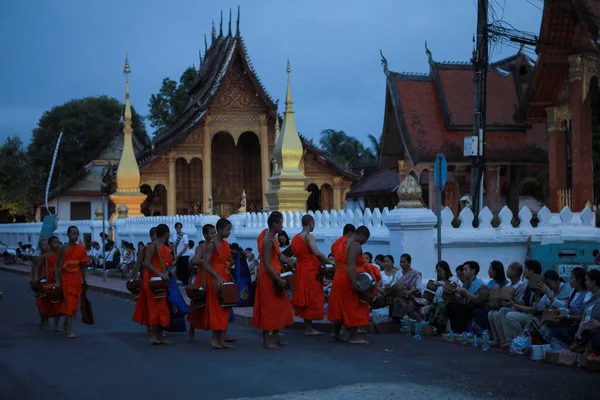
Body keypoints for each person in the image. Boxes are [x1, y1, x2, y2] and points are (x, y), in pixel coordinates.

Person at [252, 212, 295, 349]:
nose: (282, 226)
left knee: (280, 306)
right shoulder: (268, 240)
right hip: (269, 276)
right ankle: (266, 340)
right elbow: (266, 263)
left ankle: (276, 336)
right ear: (275, 224)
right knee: (268, 307)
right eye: (281, 223)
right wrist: (278, 279)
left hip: (276, 272)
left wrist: (287, 260)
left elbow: (277, 256)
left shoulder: (273, 238)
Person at [190, 219, 234, 349]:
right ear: (220, 230)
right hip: (214, 277)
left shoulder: (226, 244)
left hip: (224, 275)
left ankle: (221, 337)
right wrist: (217, 276)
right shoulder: (211, 245)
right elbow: (205, 263)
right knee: (216, 307)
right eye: (227, 230)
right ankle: (214, 337)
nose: (229, 232)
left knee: (225, 306)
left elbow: (226, 260)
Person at [328, 225, 371, 344]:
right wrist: (354, 282)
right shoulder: (355, 245)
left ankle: (336, 332)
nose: (364, 243)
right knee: (353, 305)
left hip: (339, 277)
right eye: (365, 240)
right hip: (348, 277)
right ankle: (354, 337)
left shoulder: (342, 242)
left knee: (340, 304)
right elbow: (351, 263)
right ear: (362, 236)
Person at [291, 214, 331, 336]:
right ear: (310, 224)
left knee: (305, 297)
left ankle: (308, 326)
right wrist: (329, 262)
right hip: (310, 271)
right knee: (312, 296)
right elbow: (317, 253)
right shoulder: (309, 237)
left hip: (300, 269)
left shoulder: (295, 238)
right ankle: (309, 328)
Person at [56, 226, 89, 338]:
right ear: (68, 234)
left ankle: (66, 325)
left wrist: (84, 281)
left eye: (77, 234)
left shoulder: (81, 248)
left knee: (73, 304)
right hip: (66, 278)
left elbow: (83, 266)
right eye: (73, 233)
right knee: (69, 302)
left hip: (77, 278)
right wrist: (57, 281)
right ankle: (70, 330)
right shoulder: (63, 248)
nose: (75, 236)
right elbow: (58, 265)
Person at [142, 224, 172, 345]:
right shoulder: (153, 246)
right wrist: (159, 273)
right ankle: (154, 336)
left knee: (162, 308)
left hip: (162, 279)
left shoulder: (165, 247)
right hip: (153, 280)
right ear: (166, 234)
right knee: (155, 308)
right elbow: (146, 263)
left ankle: (160, 335)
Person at [188, 224, 216, 341]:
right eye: (211, 233)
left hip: (214, 278)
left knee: (216, 306)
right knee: (197, 306)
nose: (214, 235)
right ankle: (192, 329)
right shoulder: (201, 247)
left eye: (215, 233)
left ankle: (218, 333)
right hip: (202, 278)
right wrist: (206, 261)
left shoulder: (217, 246)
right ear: (205, 235)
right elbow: (194, 260)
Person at [488, 262, 526, 343]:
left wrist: (510, 301)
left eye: (509, 269)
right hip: (507, 307)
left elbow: (520, 303)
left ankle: (509, 340)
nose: (506, 271)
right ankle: (499, 339)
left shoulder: (521, 286)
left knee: (501, 312)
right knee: (491, 313)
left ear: (514, 272)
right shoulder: (508, 285)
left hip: (516, 309)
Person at [446, 261, 488, 333]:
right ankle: (455, 331)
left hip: (476, 308)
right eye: (463, 270)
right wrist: (454, 292)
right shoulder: (466, 283)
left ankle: (461, 332)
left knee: (458, 308)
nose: (463, 272)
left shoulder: (479, 283)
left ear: (473, 271)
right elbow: (461, 299)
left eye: (466, 270)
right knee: (450, 305)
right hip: (467, 307)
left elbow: (477, 300)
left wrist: (464, 291)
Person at [132, 227, 157, 332]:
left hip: (159, 276)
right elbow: (138, 263)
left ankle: (158, 326)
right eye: (156, 235)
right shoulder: (145, 248)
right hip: (147, 276)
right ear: (151, 236)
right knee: (149, 301)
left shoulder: (163, 247)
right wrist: (132, 277)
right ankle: (149, 323)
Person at [389, 254, 423, 321]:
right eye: (400, 262)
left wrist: (409, 292)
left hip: (412, 296)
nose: (402, 264)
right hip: (400, 295)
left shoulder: (415, 274)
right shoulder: (398, 273)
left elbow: (418, 287)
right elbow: (393, 284)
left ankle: (417, 320)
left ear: (409, 263)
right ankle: (397, 319)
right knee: (396, 301)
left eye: (404, 262)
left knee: (408, 306)